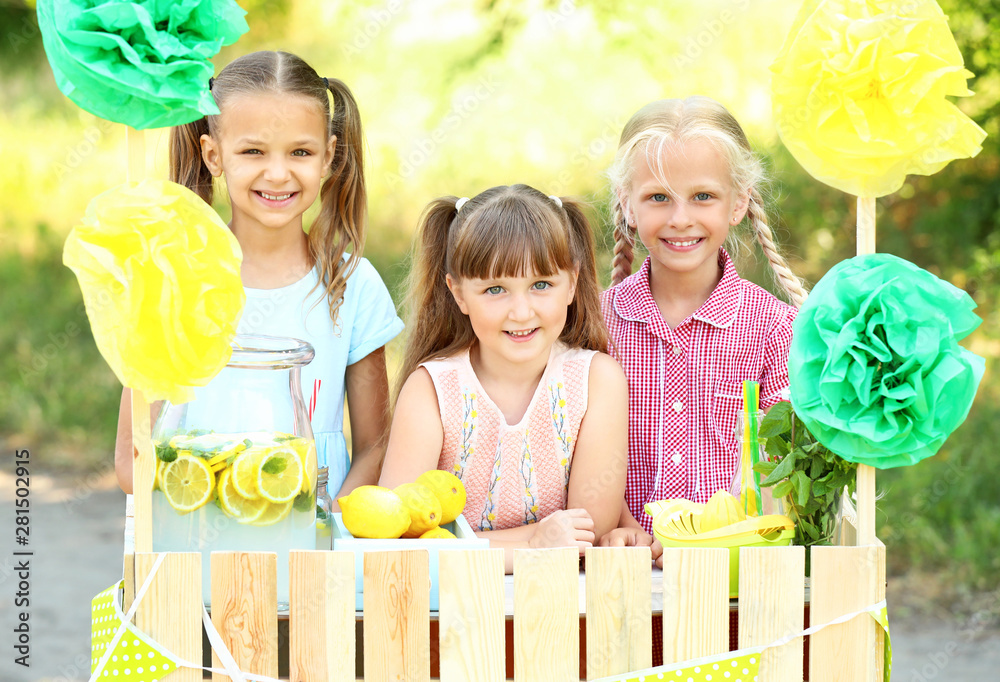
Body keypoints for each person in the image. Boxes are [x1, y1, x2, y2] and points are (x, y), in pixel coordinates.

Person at [114, 51, 403, 505]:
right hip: (195, 546)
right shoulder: (174, 283)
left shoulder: (351, 284)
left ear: (328, 156)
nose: (277, 173)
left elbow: (376, 446)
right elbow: (132, 460)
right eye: (253, 151)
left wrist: (330, 526)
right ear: (213, 154)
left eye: (300, 152)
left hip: (311, 553)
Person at [597, 96, 808, 560]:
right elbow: (568, 448)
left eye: (703, 196)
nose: (679, 219)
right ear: (626, 206)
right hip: (622, 573)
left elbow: (783, 471)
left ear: (738, 203)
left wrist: (713, 540)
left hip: (736, 577)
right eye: (657, 197)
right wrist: (622, 526)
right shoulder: (593, 326)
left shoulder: (777, 331)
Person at [379, 185, 628, 572]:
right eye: (496, 289)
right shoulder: (432, 390)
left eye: (541, 285)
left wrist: (472, 546)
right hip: (451, 614)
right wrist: (533, 545)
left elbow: (587, 530)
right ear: (459, 294)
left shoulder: (596, 381)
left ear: (572, 284)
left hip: (560, 610)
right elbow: (397, 534)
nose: (521, 311)